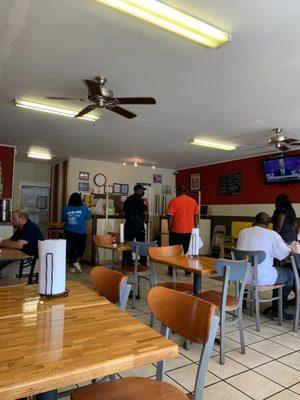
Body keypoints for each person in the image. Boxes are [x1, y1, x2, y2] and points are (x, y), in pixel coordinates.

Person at [237, 212, 294, 320]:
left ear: (253, 222)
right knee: (290, 274)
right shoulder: (272, 235)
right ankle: (277, 310)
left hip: (242, 276)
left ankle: (243, 304)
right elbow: (285, 254)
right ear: (268, 225)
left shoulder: (242, 232)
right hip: (262, 278)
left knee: (248, 268)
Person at [166, 185, 200, 275]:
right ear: (185, 191)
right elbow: (196, 216)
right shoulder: (193, 201)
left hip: (175, 231)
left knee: (173, 252)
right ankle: (188, 271)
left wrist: (169, 227)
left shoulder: (173, 201)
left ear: (177, 192)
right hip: (189, 231)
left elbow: (170, 217)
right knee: (188, 252)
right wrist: (195, 227)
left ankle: (172, 271)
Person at [0, 209, 44, 278]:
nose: (11, 221)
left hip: (32, 260)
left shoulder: (31, 227)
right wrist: (4, 243)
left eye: (14, 219)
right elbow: (9, 240)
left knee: (3, 272)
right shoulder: (20, 229)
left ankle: (12, 288)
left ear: (22, 219)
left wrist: (6, 243)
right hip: (22, 257)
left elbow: (19, 245)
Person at [61, 192, 91, 273]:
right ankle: (77, 262)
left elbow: (63, 219)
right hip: (81, 231)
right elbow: (88, 217)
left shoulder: (66, 208)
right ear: (80, 200)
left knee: (71, 248)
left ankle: (71, 266)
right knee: (81, 247)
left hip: (69, 231)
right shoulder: (84, 208)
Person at [123, 184, 149, 266]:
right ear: (138, 191)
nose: (142, 192)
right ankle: (143, 264)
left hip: (128, 226)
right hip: (138, 226)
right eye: (142, 190)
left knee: (128, 245)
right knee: (141, 246)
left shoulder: (128, 199)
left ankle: (128, 263)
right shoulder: (140, 200)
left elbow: (125, 211)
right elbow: (145, 213)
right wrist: (146, 221)